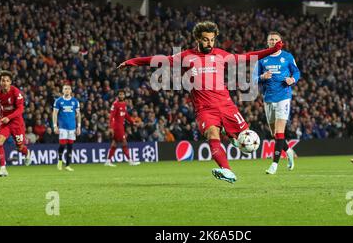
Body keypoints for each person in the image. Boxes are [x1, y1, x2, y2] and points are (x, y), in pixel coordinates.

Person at [118, 21, 283, 183]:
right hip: (204, 109)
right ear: (197, 38)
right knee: (212, 133)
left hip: (226, 105)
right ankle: (228, 170)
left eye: (212, 39)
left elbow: (247, 57)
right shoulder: (185, 57)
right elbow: (157, 60)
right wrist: (132, 61)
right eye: (205, 39)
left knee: (245, 137)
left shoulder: (221, 55)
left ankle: (234, 139)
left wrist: (272, 50)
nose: (209, 43)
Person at [253, 32, 300, 175]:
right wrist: (262, 76)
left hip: (283, 97)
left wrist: (292, 80)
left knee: (280, 132)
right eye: (271, 40)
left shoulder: (287, 56)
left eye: (275, 39)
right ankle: (289, 152)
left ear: (281, 42)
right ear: (267, 43)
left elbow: (296, 72)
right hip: (268, 98)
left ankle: (274, 164)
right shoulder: (262, 59)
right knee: (275, 133)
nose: (273, 41)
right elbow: (254, 78)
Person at [0, 70, 31, 177]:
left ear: (10, 82)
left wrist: (8, 117)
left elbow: (20, 109)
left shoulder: (16, 92)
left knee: (20, 147)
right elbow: (3, 108)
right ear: (0, 82)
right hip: (5, 122)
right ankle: (3, 169)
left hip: (16, 122)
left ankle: (27, 153)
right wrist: (0, 116)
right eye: (2, 81)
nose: (4, 83)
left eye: (7, 81)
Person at [105, 89, 141, 167]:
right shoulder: (115, 104)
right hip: (117, 127)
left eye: (123, 94)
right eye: (120, 94)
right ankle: (130, 161)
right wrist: (110, 127)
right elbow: (111, 116)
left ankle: (108, 161)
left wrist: (132, 122)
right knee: (124, 143)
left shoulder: (124, 104)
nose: (121, 96)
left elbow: (126, 115)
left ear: (124, 95)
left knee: (114, 144)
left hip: (121, 127)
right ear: (118, 95)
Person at [52, 82, 81, 172]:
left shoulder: (75, 101)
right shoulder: (59, 101)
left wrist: (79, 126)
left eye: (68, 88)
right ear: (62, 90)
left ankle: (68, 165)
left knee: (70, 146)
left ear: (71, 90)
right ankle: (60, 160)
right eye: (65, 89)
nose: (67, 90)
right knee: (62, 145)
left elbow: (78, 114)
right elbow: (55, 114)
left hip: (72, 128)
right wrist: (55, 126)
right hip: (62, 127)